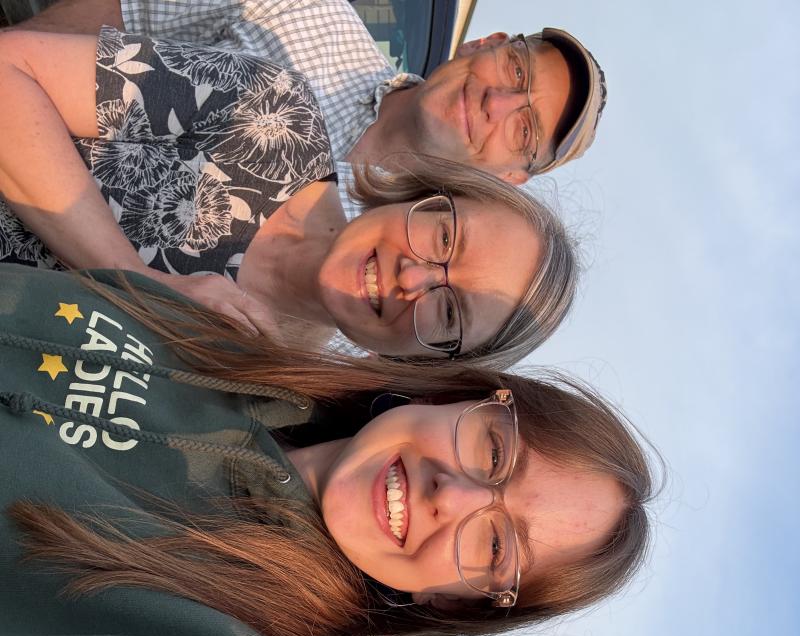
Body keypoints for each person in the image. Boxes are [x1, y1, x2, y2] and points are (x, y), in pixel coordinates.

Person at [0, 263, 656, 636]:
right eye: (493, 454)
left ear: (453, 601)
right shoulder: (218, 331)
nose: (452, 495)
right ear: (459, 398)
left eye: (494, 546)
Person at [0, 27, 578, 363]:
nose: (414, 276)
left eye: (448, 310)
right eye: (445, 237)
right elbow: (9, 67)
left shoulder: (267, 382)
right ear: (430, 193)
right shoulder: (274, 115)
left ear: (431, 363)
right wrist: (137, 282)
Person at [21, 0, 608, 214]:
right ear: (486, 43)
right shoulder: (303, 11)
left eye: (524, 129)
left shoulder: (386, 278)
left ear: (510, 178)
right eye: (517, 70)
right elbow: (111, 20)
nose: (497, 102)